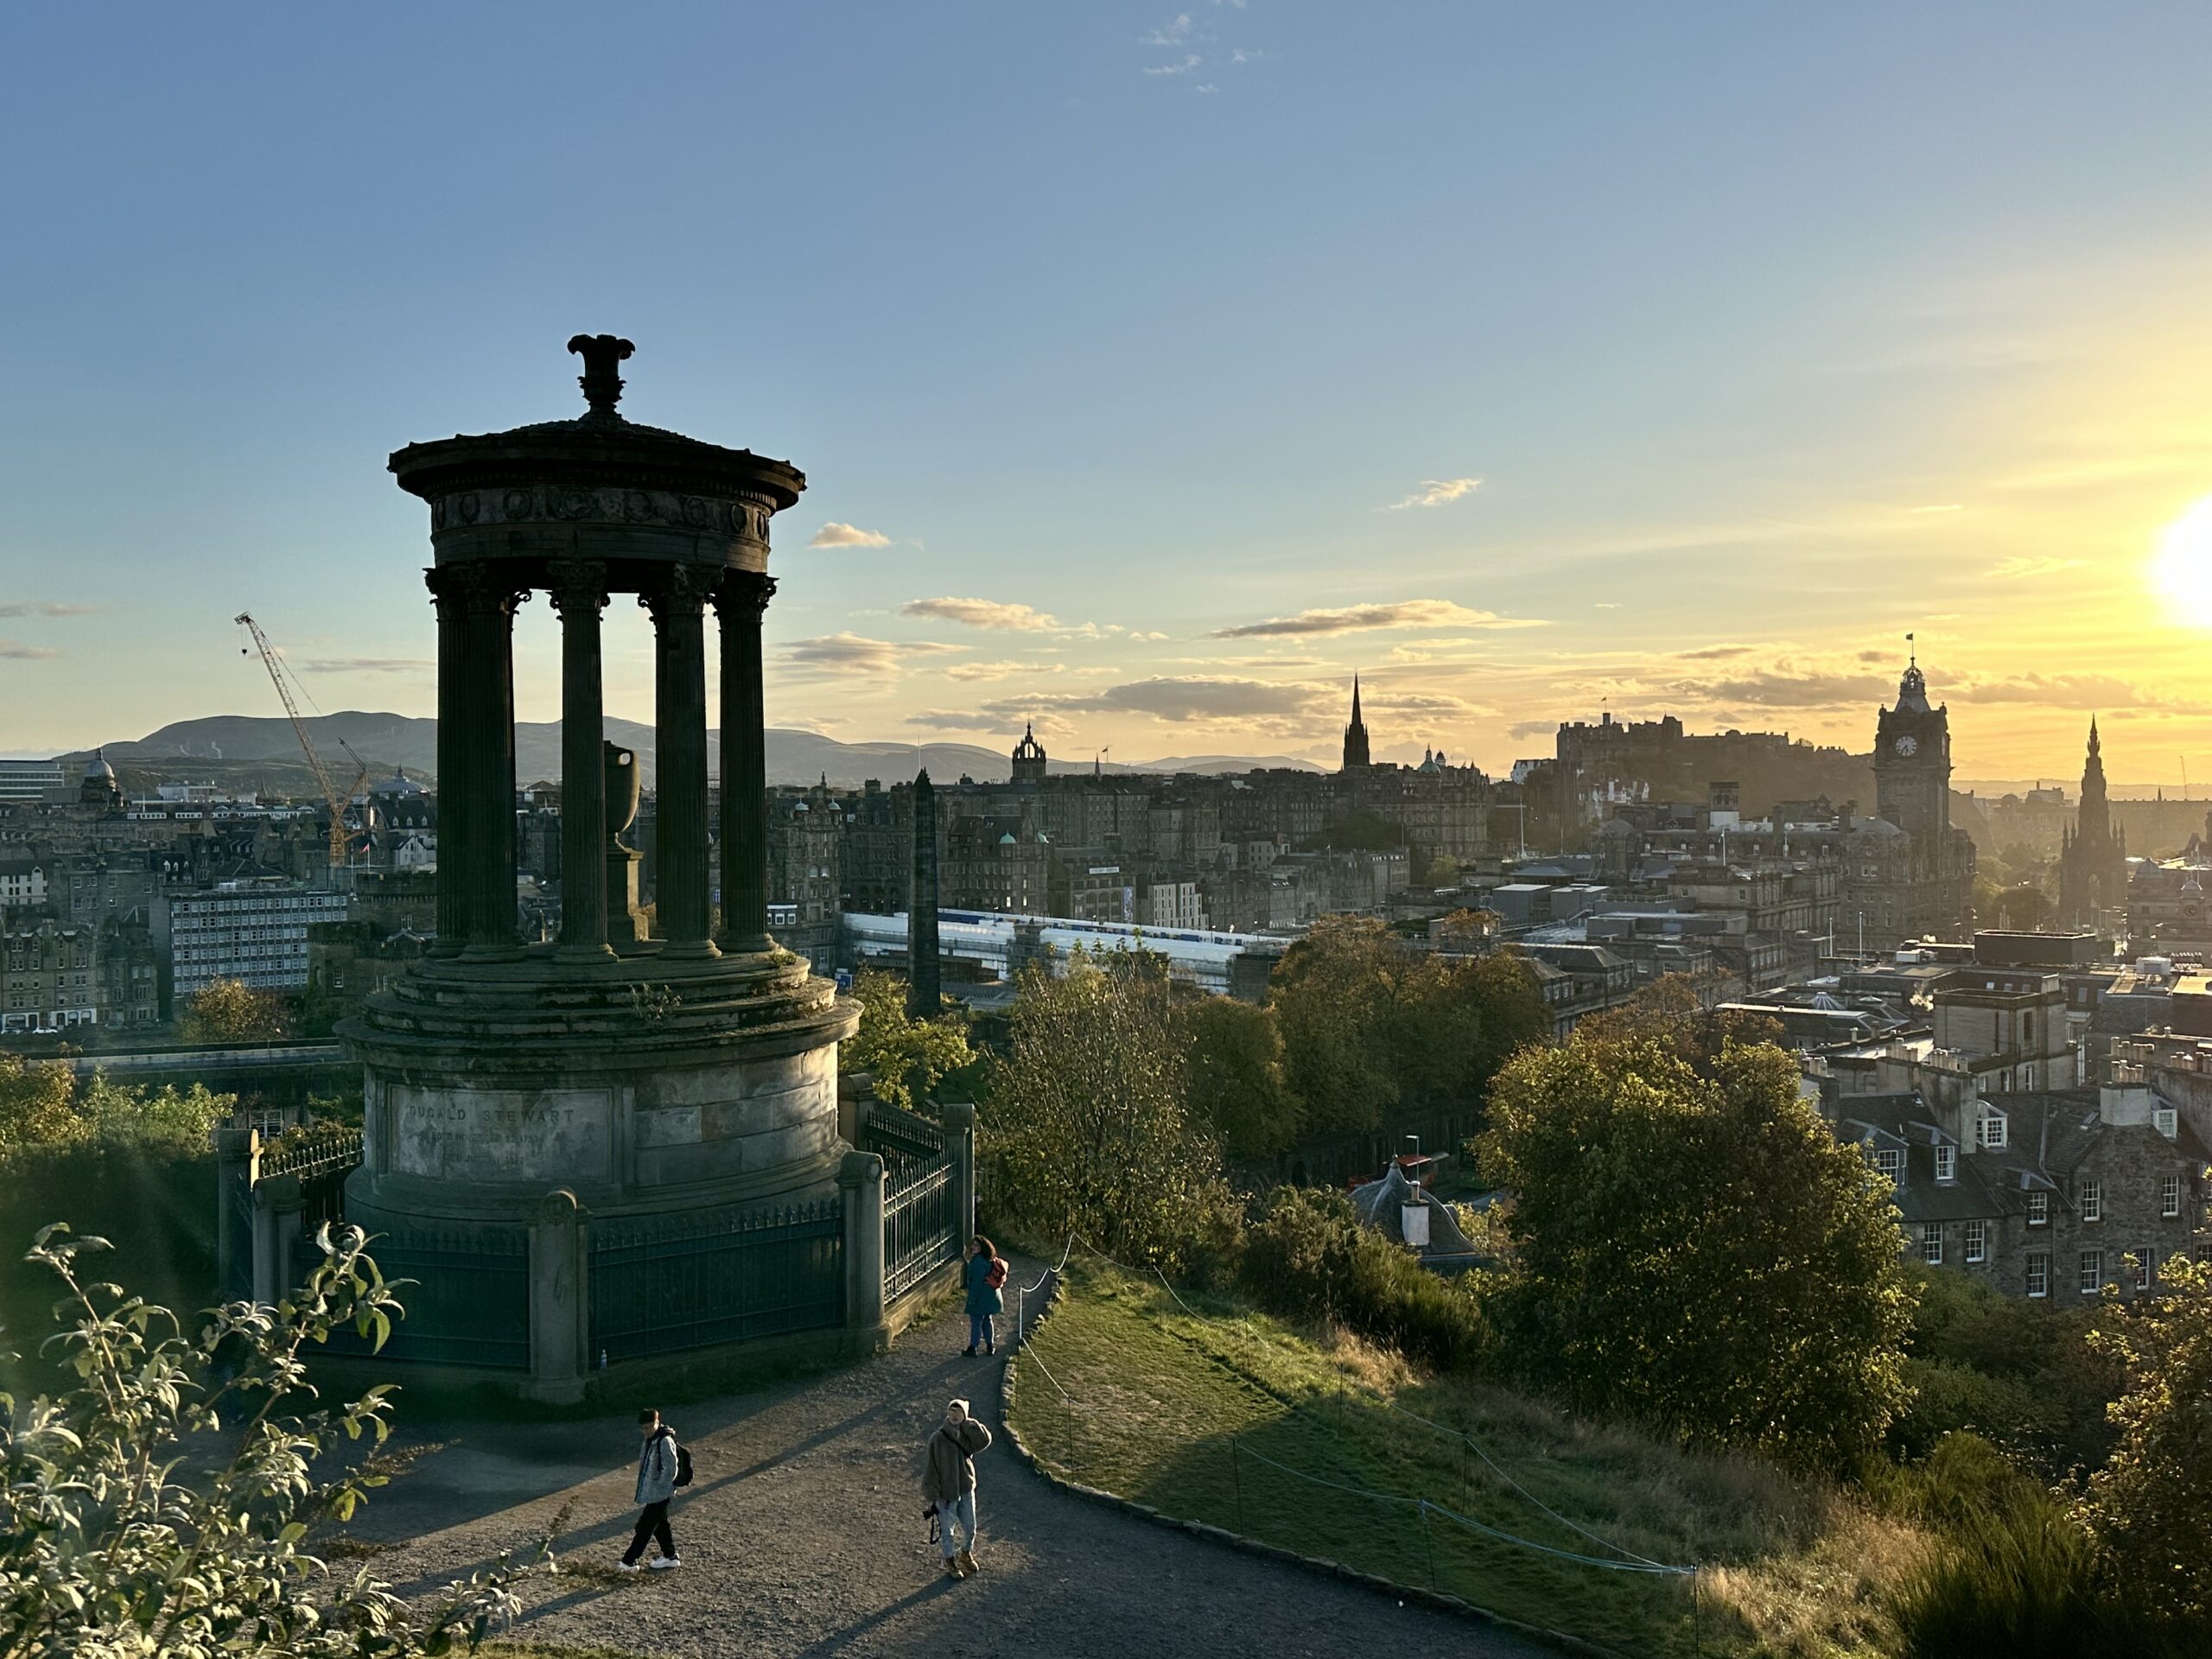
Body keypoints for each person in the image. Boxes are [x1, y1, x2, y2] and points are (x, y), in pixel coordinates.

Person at [922, 1396, 992, 1579]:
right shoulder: (937, 1438)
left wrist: (969, 1424)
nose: (954, 1415)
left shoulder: (967, 1434)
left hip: (966, 1489)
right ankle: (950, 1560)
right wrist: (932, 1491)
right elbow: (931, 1466)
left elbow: (984, 1441)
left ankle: (965, 1553)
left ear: (965, 1414)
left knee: (971, 1527)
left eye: (958, 1411)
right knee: (948, 1531)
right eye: (951, 1411)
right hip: (946, 1493)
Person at [619, 1408, 683, 1571]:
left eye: (650, 1426)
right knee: (660, 1524)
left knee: (644, 1527)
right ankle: (670, 1555)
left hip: (660, 1493)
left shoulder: (664, 1441)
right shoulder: (651, 1440)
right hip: (656, 1492)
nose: (647, 1431)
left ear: (657, 1422)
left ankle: (629, 1561)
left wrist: (660, 1487)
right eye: (644, 1428)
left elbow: (671, 1469)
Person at [963, 1236, 1007, 1357]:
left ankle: (973, 1347)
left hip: (981, 1296)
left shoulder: (978, 1262)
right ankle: (990, 1345)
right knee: (987, 1320)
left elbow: (976, 1283)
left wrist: (972, 1300)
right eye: (973, 1245)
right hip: (991, 1295)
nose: (973, 1247)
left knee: (976, 1321)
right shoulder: (990, 1259)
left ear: (982, 1248)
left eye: (977, 1246)